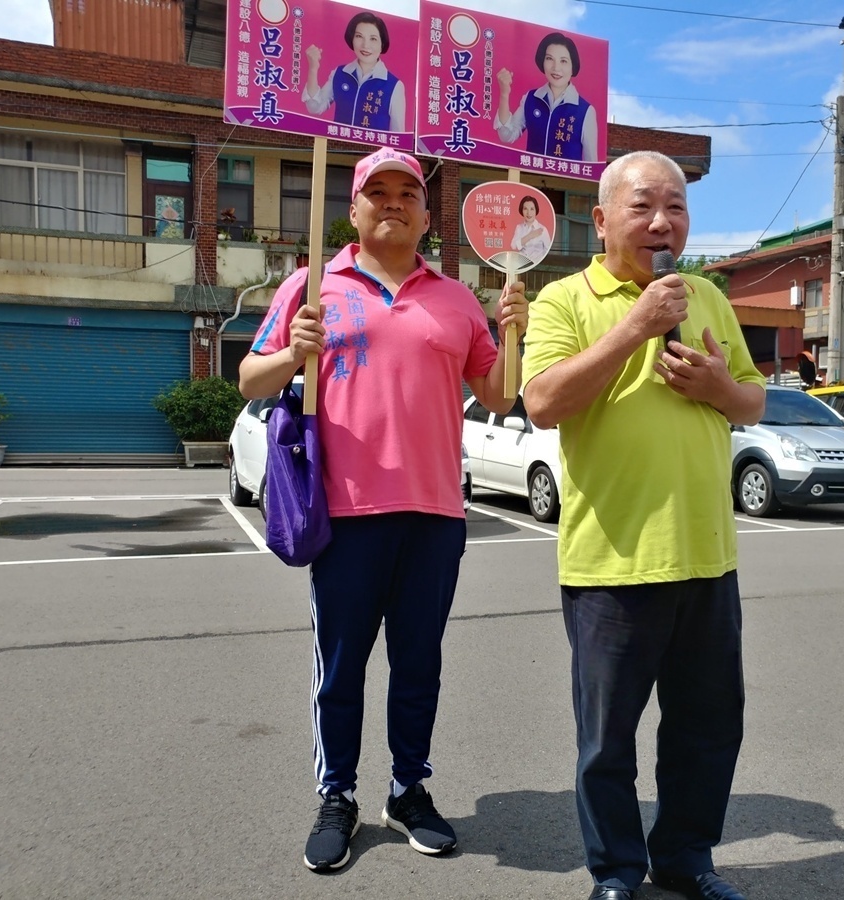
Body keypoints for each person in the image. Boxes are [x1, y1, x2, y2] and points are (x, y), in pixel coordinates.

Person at [239, 147, 528, 873]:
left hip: (436, 514)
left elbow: (498, 397)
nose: (394, 203)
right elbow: (249, 375)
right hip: (346, 513)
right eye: (380, 192)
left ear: (427, 215)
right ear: (355, 207)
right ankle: (337, 794)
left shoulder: (457, 299)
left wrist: (514, 327)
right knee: (341, 667)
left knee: (418, 664)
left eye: (409, 193)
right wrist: (290, 351)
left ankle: (408, 790)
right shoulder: (314, 283)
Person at [521, 151, 766, 900]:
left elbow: (752, 401)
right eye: (643, 206)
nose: (663, 221)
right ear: (600, 220)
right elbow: (542, 403)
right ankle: (618, 871)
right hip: (611, 564)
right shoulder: (562, 300)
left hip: (705, 556)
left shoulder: (709, 296)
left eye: (677, 207)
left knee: (708, 726)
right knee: (607, 741)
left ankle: (687, 858)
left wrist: (721, 386)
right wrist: (634, 326)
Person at [495, 32, 599, 162]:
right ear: (542, 61)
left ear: (573, 67)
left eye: (563, 61)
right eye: (550, 59)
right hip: (529, 178)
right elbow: (506, 136)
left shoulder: (585, 111)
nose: (556, 68)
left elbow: (591, 163)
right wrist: (504, 94)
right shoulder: (531, 98)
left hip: (566, 182)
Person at [303, 11, 406, 131]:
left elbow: (398, 134)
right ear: (352, 39)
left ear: (382, 44)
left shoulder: (394, 85)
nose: (365, 45)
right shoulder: (340, 73)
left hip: (375, 149)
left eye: (373, 39)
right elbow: (314, 108)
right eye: (359, 36)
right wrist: (313, 69)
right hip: (338, 147)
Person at [510, 195, 552, 264]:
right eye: (525, 209)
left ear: (536, 210)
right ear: (522, 210)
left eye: (532, 209)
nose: (529, 213)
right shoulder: (519, 227)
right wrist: (530, 236)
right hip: (521, 265)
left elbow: (547, 250)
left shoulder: (542, 229)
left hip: (537, 266)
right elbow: (513, 246)